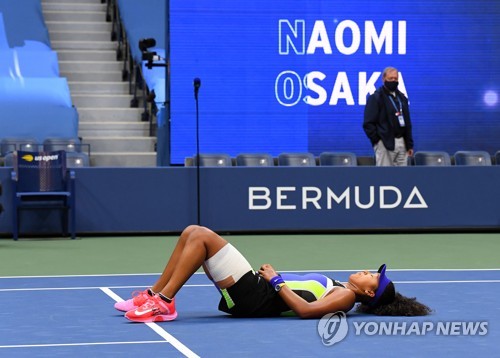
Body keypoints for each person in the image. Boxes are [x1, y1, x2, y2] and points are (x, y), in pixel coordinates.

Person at [115, 225, 431, 322]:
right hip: (253, 293)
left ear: (369, 293)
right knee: (190, 234)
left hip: (255, 295)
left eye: (372, 277)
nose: (366, 271)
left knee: (200, 236)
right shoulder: (340, 287)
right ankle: (154, 295)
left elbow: (306, 311)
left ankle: (165, 302)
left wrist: (275, 280)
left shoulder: (346, 297)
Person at [363, 67, 414, 166]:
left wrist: (409, 144)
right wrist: (378, 141)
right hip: (385, 143)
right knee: (385, 178)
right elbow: (368, 123)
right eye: (390, 79)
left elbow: (407, 122)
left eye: (395, 79)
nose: (393, 81)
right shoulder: (376, 98)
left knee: (403, 178)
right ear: (383, 79)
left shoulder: (402, 98)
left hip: (402, 143)